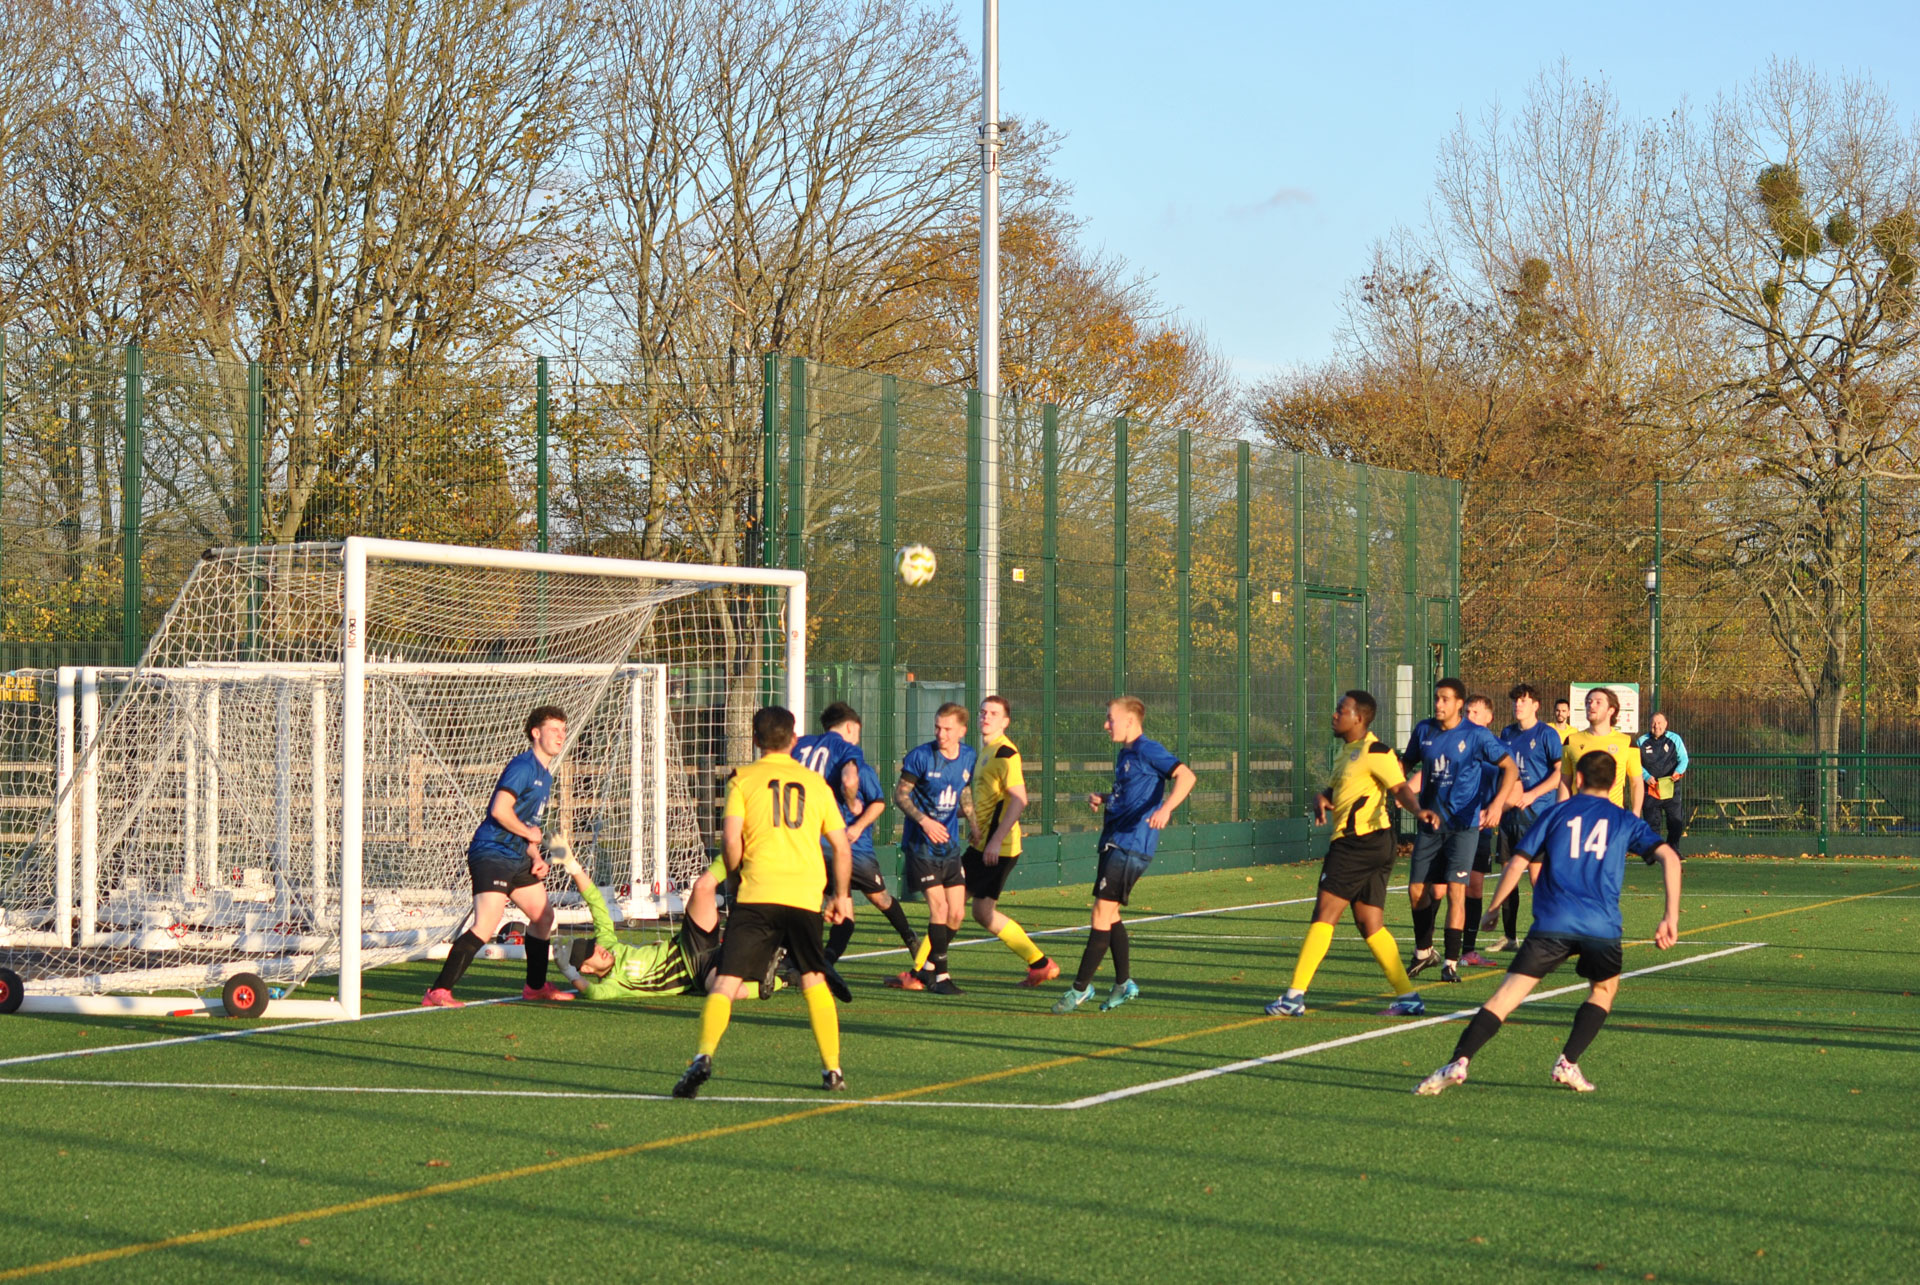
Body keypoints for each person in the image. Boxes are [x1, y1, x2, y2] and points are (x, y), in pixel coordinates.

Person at [1414, 750, 1682, 1096]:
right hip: (1601, 927)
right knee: (1603, 991)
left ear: (1578, 779)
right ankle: (1568, 1061)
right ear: (1614, 782)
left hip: (1553, 923)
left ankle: (1459, 1061)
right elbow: (1669, 857)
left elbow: (1518, 862)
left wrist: (1493, 908)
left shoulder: (1555, 813)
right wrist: (1670, 916)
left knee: (1506, 997)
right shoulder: (1623, 819)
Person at [673, 705, 853, 1099]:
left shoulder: (743, 780)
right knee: (813, 978)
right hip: (804, 895)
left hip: (757, 894)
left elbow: (730, 841)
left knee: (726, 981)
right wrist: (841, 896)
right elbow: (841, 847)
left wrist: (734, 877)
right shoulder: (816, 784)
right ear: (794, 740)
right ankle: (832, 1069)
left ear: (755, 740)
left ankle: (703, 1056)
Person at [1266, 689, 1439, 1018]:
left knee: (1324, 915)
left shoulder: (1377, 751)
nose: (1334, 715)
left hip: (1357, 843)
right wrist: (1321, 798)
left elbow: (1400, 787)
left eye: (1340, 710)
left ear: (1358, 717)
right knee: (1369, 923)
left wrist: (1419, 811)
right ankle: (1408, 997)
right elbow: (1335, 789)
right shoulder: (1346, 751)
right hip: (1372, 844)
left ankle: (1293, 997)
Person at [424, 705, 577, 1007]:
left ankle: (535, 987)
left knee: (543, 917)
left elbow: (526, 826)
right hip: (492, 852)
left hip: (517, 856)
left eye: (563, 729)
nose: (561, 735)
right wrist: (530, 834)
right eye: (554, 729)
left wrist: (535, 856)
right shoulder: (523, 766)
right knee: (487, 924)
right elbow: (499, 810)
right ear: (536, 733)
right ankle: (437, 991)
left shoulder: (545, 775)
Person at [1054, 696, 1197, 1013]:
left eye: (1110, 718)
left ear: (1130, 721)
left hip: (1131, 844)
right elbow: (1132, 793)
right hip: (1115, 841)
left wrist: (1166, 809)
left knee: (1100, 914)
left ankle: (1080, 989)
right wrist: (1105, 798)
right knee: (1111, 915)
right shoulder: (1126, 754)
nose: (1105, 724)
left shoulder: (1148, 749)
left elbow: (1186, 776)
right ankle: (1123, 984)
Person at [1401, 679, 1518, 984]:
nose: (1438, 704)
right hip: (1430, 825)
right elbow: (1404, 765)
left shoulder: (1476, 735)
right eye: (1436, 698)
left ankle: (1451, 962)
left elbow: (1510, 767)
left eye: (1445, 699)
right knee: (1416, 890)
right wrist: (1395, 789)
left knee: (1456, 890)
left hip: (1464, 827)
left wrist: (1496, 805)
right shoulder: (1424, 730)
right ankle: (1424, 952)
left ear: (1459, 704)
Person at [556, 851, 778, 1000]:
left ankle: (740, 847)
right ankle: (783, 979)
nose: (599, 950)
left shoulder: (607, 944)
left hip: (688, 943)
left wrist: (573, 866)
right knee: (722, 991)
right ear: (587, 969)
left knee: (702, 888)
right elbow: (593, 993)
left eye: (593, 946)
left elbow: (596, 903)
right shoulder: (615, 983)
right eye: (591, 954)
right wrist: (569, 973)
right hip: (697, 973)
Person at [962, 696, 1059, 986]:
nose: (986, 717)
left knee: (948, 903)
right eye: (983, 712)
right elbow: (987, 801)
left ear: (1005, 722)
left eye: (994, 713)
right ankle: (1040, 964)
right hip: (984, 845)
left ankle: (921, 971)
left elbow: (1019, 800)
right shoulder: (986, 752)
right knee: (982, 913)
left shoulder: (1006, 753)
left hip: (996, 848)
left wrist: (995, 841)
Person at [887, 702, 977, 995]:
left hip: (950, 847)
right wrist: (925, 822)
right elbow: (900, 796)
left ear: (962, 731)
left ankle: (926, 970)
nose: (941, 733)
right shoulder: (921, 757)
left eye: (947, 729)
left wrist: (974, 824)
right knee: (939, 908)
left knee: (956, 914)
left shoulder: (969, 756)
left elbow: (964, 791)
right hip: (921, 847)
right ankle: (941, 977)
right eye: (938, 727)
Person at [822, 756, 922, 966]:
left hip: (858, 852)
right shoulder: (820, 767)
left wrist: (858, 826)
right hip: (829, 851)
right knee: (843, 914)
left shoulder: (861, 770)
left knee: (881, 899)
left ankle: (909, 937)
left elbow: (878, 803)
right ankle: (822, 965)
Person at [1489, 683, 1564, 953]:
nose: (1517, 705)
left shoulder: (1547, 734)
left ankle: (1550, 935)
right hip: (1511, 817)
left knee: (1536, 878)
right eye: (1515, 701)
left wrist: (1532, 794)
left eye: (1523, 701)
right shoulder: (1507, 733)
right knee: (1507, 875)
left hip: (1537, 816)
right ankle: (1510, 938)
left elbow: (1559, 774)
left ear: (1535, 705)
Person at [1457, 695, 1504, 967]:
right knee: (1438, 889)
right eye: (1468, 711)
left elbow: (1512, 783)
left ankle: (1468, 951)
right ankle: (1426, 949)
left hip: (1480, 828)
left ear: (1489, 717)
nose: (1470, 716)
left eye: (1476, 712)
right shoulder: (1455, 741)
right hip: (1451, 825)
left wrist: (1496, 807)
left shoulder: (1496, 748)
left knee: (1474, 888)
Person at [1559, 688, 1645, 814]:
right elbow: (1565, 781)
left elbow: (1636, 782)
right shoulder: (1571, 741)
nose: (1591, 705)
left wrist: (1636, 813)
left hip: (1613, 817)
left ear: (1611, 710)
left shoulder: (1627, 742)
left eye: (1598, 702)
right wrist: (1561, 813)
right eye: (1589, 702)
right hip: (1580, 816)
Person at [1635, 711, 1690, 851]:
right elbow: (1635, 763)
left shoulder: (1674, 739)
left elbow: (1684, 759)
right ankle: (1656, 852)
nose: (1656, 726)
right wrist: (1646, 776)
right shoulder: (1641, 741)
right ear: (1649, 724)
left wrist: (1678, 771)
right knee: (1652, 823)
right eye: (1653, 723)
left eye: (1659, 723)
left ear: (1666, 724)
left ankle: (1673, 851)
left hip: (1671, 787)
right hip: (1651, 789)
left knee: (1675, 822)